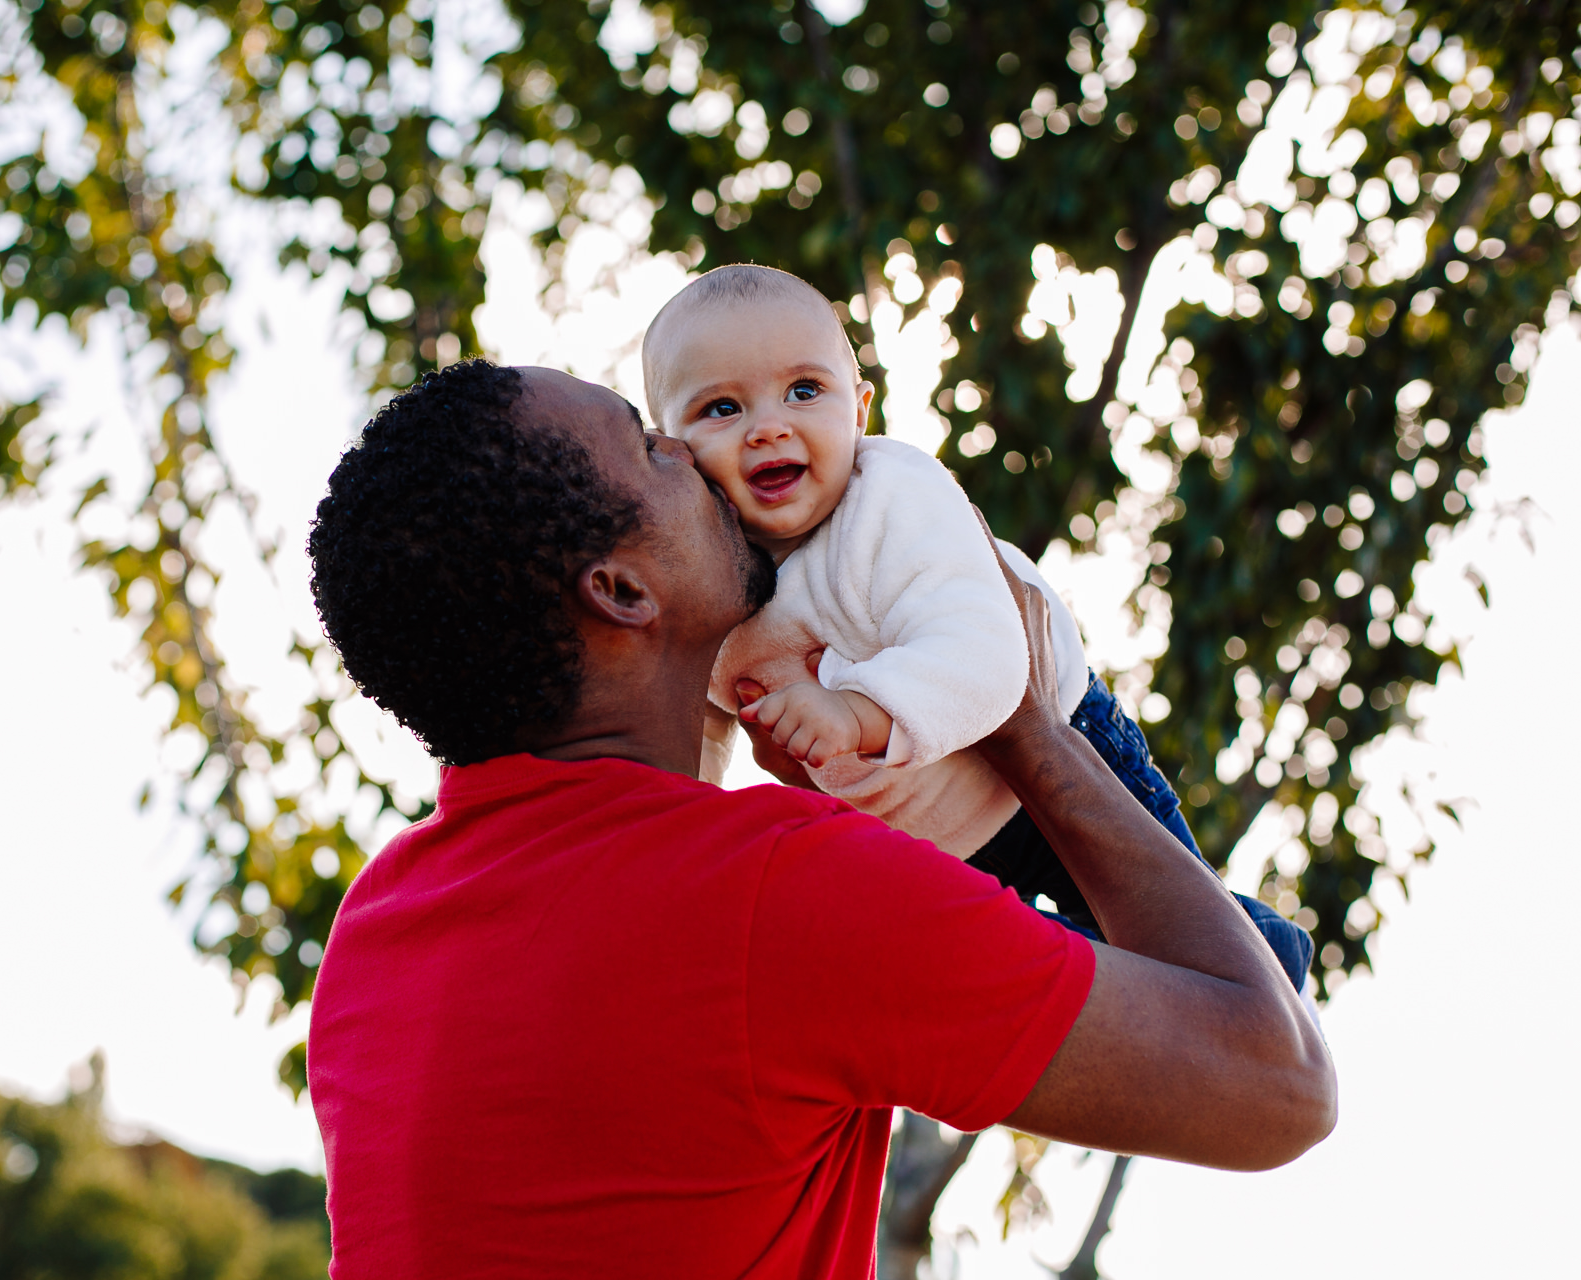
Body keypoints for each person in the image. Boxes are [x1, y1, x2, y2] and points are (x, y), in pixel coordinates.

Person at [302, 359, 1334, 1278]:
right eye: (654, 447)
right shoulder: (777, 893)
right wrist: (1025, 723)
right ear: (620, 589)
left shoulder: (376, 929)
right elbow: (1279, 1084)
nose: (703, 457)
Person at [644, 264, 1312, 987]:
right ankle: (1218, 989)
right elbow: (694, 728)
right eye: (721, 409)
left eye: (805, 391)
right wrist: (672, 838)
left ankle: (1265, 956)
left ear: (859, 410)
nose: (769, 427)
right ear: (671, 448)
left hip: (1057, 755)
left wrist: (855, 712)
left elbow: (992, 660)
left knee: (1178, 936)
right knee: (1061, 976)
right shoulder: (702, 577)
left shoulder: (889, 500)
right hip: (929, 832)